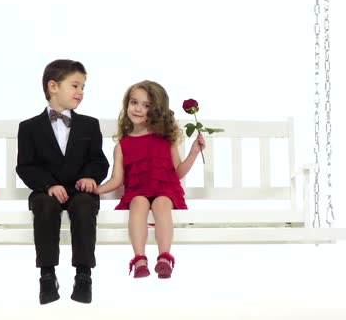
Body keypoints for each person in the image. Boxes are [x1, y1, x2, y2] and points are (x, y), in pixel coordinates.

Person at [16, 59, 110, 304]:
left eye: (83, 88)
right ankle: (47, 275)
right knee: (45, 207)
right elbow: (26, 166)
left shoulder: (90, 125)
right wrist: (48, 185)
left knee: (84, 206)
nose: (81, 92)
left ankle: (83, 274)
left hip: (80, 191)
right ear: (53, 86)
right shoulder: (29, 128)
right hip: (45, 190)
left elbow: (99, 161)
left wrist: (90, 177)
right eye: (75, 86)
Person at [94, 80, 205, 279]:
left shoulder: (165, 139)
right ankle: (140, 259)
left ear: (156, 110)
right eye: (134, 102)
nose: (137, 109)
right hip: (138, 192)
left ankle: (164, 257)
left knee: (161, 203)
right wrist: (96, 190)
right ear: (127, 104)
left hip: (165, 192)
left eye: (146, 105)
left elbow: (177, 172)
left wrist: (194, 153)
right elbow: (116, 180)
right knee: (138, 202)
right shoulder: (122, 146)